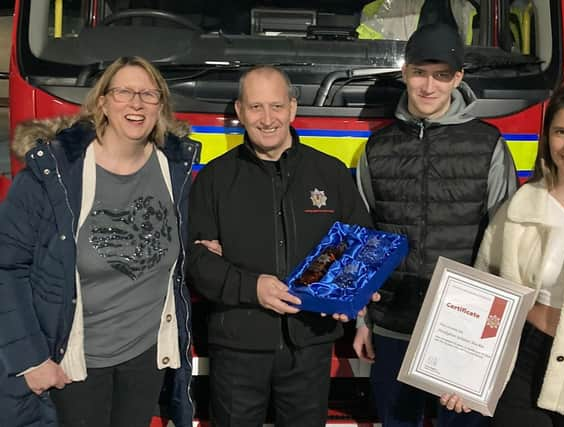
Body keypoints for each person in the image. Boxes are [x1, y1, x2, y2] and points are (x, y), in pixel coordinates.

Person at [0, 56, 199, 427]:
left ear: (161, 106)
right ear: (103, 102)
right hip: (72, 361)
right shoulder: (52, 173)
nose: (136, 103)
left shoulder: (175, 168)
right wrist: (30, 358)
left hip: (144, 356)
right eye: (123, 92)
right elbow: (6, 267)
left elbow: (185, 246)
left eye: (148, 94)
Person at [441, 82, 564, 427]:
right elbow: (482, 296)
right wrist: (465, 375)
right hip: (522, 363)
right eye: (560, 132)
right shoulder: (520, 207)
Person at [187, 65, 372, 427]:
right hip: (238, 345)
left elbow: (361, 247)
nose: (267, 118)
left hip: (310, 344)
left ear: (291, 108)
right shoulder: (214, 178)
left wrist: (346, 294)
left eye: (275, 106)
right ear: (239, 112)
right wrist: (251, 287)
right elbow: (195, 261)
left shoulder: (329, 174)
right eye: (255, 107)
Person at [352, 23, 518, 427]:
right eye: (420, 73)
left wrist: (493, 341)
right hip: (395, 326)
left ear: (457, 78)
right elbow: (366, 241)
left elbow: (505, 245)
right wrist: (362, 319)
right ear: (406, 72)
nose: (429, 86)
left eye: (442, 75)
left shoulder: (488, 145)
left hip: (464, 335)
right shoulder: (377, 149)